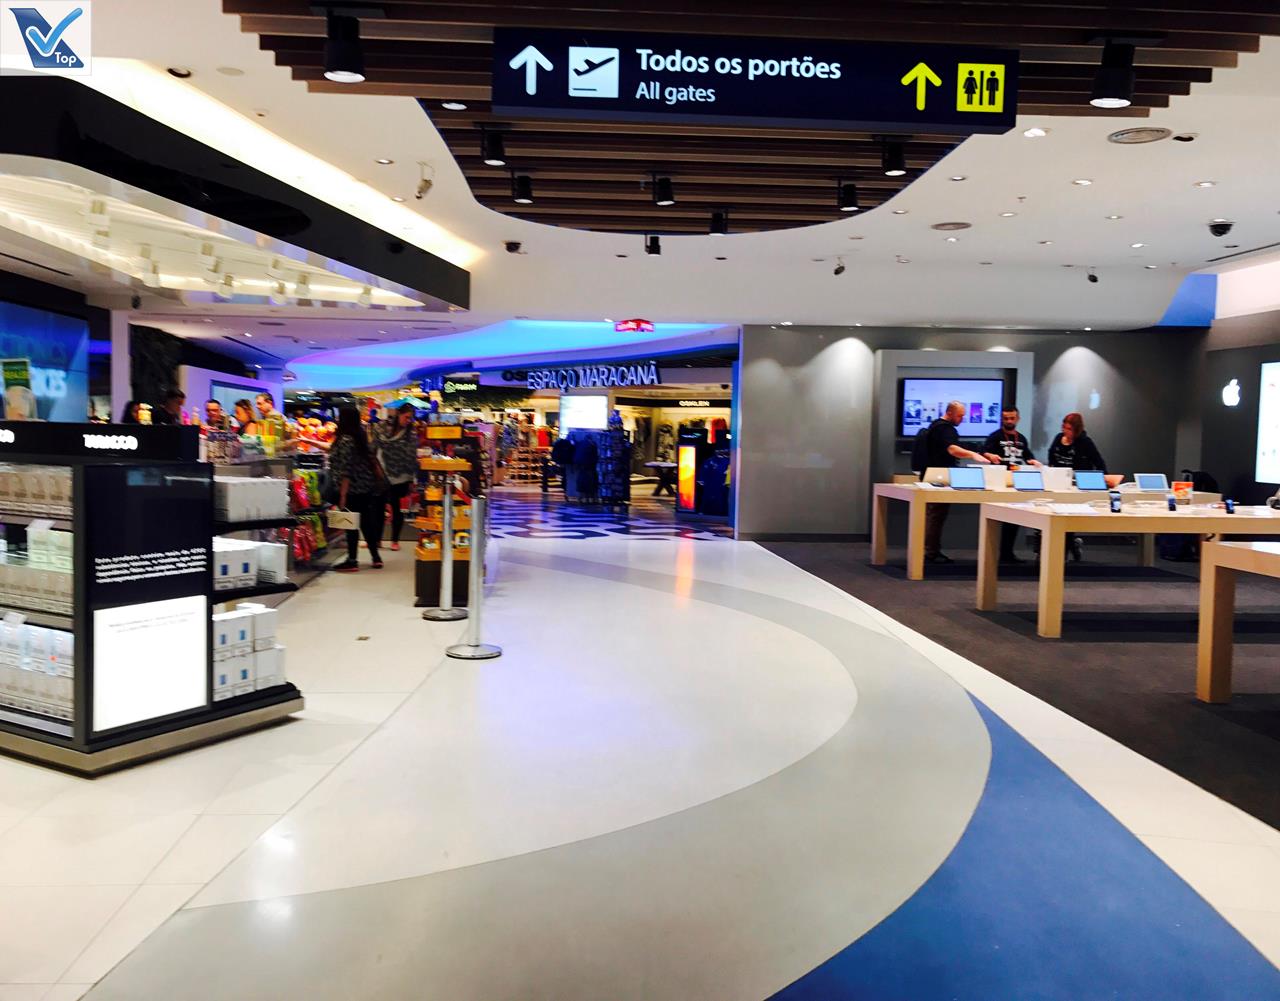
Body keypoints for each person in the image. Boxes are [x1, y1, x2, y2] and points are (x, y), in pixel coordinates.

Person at [923, 401, 990, 565]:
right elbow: (952, 449)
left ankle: (930, 550)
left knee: (933, 516)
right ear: (950, 413)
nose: (962, 419)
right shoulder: (945, 429)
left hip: (933, 476)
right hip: (940, 478)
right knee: (936, 516)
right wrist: (973, 455)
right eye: (960, 416)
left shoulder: (935, 426)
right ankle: (931, 552)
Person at [329, 406, 386, 572]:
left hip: (351, 489)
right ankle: (376, 557)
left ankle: (352, 560)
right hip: (365, 487)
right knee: (366, 523)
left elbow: (346, 469)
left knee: (350, 523)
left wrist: (343, 495)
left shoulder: (346, 440)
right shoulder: (359, 437)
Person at [982, 406, 1042, 564]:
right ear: (1002, 419)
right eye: (1006, 418)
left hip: (1017, 482)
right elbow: (984, 451)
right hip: (999, 481)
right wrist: (990, 456)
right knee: (997, 519)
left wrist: (1033, 461)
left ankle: (1007, 553)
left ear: (1017, 419)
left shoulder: (1021, 438)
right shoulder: (995, 436)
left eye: (1012, 418)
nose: (1009, 421)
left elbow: (1027, 456)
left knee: (1013, 519)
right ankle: (995, 554)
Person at [1047, 412, 1107, 562]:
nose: (1065, 431)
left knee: (1067, 519)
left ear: (1076, 430)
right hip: (1059, 483)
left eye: (1069, 429)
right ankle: (1069, 547)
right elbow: (1051, 456)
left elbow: (1098, 461)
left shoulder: (1085, 442)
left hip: (1077, 485)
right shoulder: (1058, 438)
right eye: (1064, 427)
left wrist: (1105, 479)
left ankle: (1065, 553)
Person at [375, 403, 419, 552]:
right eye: (406, 417)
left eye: (410, 418)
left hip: (402, 476)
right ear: (399, 414)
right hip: (381, 473)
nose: (408, 420)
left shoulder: (410, 434)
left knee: (397, 509)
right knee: (378, 508)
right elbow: (373, 448)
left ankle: (395, 540)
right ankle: (377, 540)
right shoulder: (381, 427)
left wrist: (412, 479)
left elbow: (412, 457)